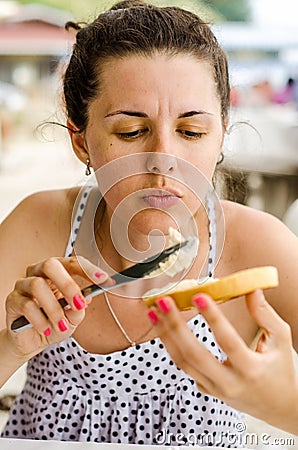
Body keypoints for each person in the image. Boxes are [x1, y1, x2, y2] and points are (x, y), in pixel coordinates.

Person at [0, 0, 297, 445]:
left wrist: (283, 405)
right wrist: (11, 346)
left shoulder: (258, 245)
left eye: (192, 132)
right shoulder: (40, 225)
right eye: (130, 132)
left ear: (222, 134)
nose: (165, 163)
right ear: (80, 140)